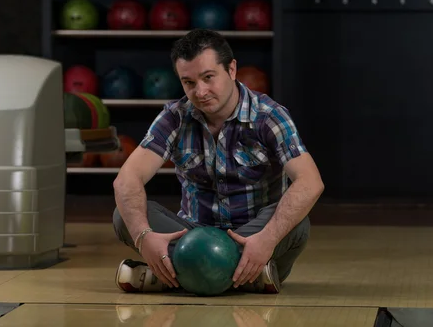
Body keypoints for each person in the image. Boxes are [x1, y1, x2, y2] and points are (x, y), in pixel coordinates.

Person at [112, 29, 324, 294]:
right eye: (188, 82)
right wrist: (144, 238)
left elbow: (310, 182)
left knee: (297, 222)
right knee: (125, 215)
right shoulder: (174, 117)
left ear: (232, 69)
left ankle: (174, 276)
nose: (200, 91)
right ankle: (246, 279)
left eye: (208, 77)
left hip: (252, 236)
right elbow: (127, 179)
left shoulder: (269, 116)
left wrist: (267, 239)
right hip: (191, 235)